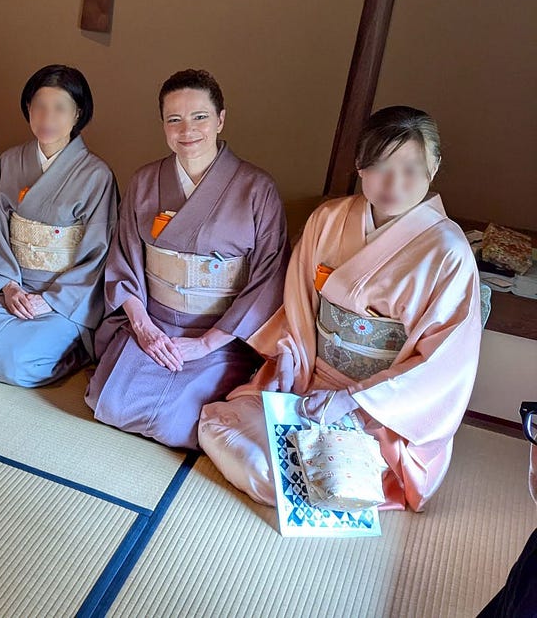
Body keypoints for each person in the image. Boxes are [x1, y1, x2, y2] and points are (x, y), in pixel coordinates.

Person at [199, 106, 483, 510]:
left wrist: (353, 400)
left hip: (380, 407)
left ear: (433, 167)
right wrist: (288, 360)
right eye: (381, 166)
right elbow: (298, 308)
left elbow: (442, 365)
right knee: (218, 425)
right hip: (309, 380)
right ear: (360, 166)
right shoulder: (328, 219)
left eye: (410, 169)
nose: (394, 184)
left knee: (300, 478)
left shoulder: (448, 253)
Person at [85, 69, 288, 449]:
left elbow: (269, 277)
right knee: (108, 402)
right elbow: (124, 260)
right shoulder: (145, 181)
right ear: (163, 125)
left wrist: (207, 343)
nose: (187, 130)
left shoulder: (257, 189)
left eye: (199, 117)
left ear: (220, 119)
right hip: (154, 324)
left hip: (222, 334)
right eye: (174, 119)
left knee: (177, 424)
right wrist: (144, 329)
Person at [0, 65, 118, 386]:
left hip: (64, 301)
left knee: (16, 363)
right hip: (12, 286)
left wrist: (49, 300)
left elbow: (97, 255)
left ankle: (74, 352)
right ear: (28, 108)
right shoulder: (10, 161)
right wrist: (9, 287)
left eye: (60, 108)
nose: (47, 117)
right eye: (39, 106)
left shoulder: (97, 176)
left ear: (78, 114)